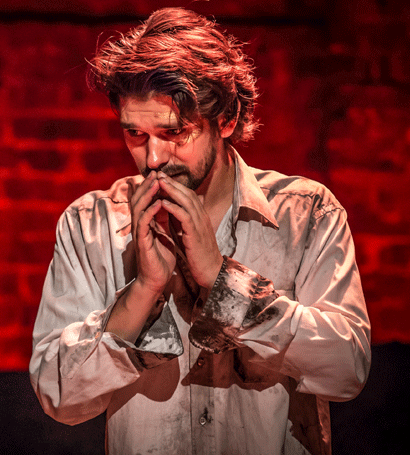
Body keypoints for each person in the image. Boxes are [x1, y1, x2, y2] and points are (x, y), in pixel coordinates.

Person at [29, 7, 371, 455]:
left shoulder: (306, 215)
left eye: (174, 133)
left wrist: (224, 282)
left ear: (226, 120)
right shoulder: (90, 224)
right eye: (134, 133)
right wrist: (143, 290)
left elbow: (348, 370)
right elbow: (59, 396)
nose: (153, 158)